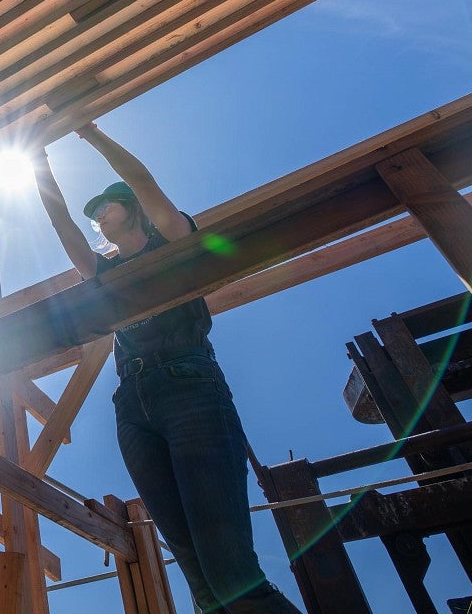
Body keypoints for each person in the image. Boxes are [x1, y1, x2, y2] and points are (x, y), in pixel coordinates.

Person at [30, 121, 302, 614]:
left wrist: (89, 133)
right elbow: (61, 225)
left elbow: (144, 181)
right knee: (201, 585)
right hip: (132, 405)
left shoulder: (172, 241)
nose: (96, 220)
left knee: (231, 573)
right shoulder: (103, 271)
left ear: (129, 208)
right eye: (94, 216)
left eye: (103, 209)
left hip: (190, 386)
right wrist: (38, 163)